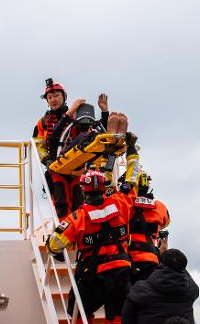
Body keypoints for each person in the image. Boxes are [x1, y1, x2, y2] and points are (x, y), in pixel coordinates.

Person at [45, 134, 139, 324]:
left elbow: (53, 245)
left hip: (93, 275)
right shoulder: (121, 203)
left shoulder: (77, 218)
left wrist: (58, 254)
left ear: (83, 190)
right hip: (122, 272)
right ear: (104, 187)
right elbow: (132, 178)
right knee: (119, 316)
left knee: (76, 310)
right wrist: (132, 151)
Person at [32, 78, 109, 220]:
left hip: (76, 166)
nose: (53, 99)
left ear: (64, 97)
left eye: (56, 96)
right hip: (55, 168)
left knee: (78, 203)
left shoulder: (75, 115)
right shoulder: (42, 123)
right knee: (61, 203)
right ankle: (65, 231)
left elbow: (97, 134)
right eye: (50, 97)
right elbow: (40, 145)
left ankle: (76, 233)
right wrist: (47, 161)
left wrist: (104, 112)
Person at [121, 249, 199, 324]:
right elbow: (183, 271)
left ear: (161, 264)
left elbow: (127, 318)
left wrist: (160, 255)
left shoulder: (140, 289)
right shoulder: (191, 290)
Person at [126, 170, 170, 283]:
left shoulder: (125, 205)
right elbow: (166, 222)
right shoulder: (159, 207)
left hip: (128, 260)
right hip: (151, 260)